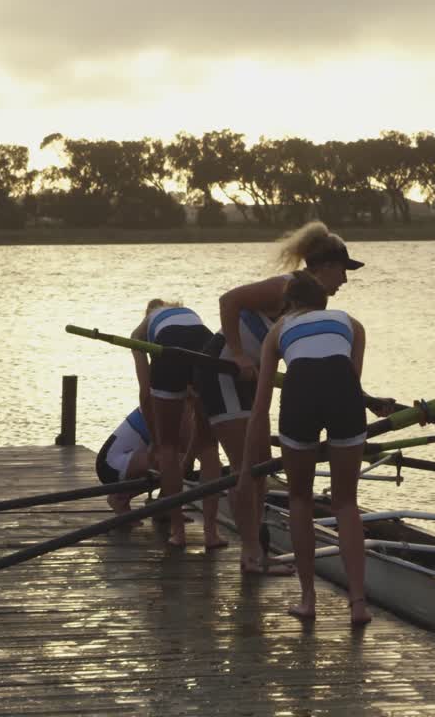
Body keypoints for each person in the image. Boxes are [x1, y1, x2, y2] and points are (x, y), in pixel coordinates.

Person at [195, 221, 364, 575]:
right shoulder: (286, 287)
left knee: (261, 466)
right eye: (343, 271)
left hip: (248, 379)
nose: (345, 281)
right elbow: (229, 300)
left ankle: (257, 550)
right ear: (327, 267)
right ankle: (252, 554)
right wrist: (240, 355)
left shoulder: (311, 306)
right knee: (246, 467)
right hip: (222, 371)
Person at [240, 271, 372, 625]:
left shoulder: (278, 329)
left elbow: (260, 405)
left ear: (291, 303)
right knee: (346, 501)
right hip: (343, 399)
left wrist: (246, 468)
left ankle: (308, 599)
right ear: (322, 300)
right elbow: (350, 382)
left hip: (300, 398)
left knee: (300, 497)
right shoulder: (352, 324)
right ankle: (358, 604)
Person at [132, 299, 216, 547]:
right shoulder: (190, 315)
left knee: (168, 447)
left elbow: (146, 392)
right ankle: (212, 533)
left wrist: (157, 442)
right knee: (209, 446)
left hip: (169, 351)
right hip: (206, 344)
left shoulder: (141, 331)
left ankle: (177, 531)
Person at [94, 400, 227, 549]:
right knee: (176, 463)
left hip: (129, 460)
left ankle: (164, 507)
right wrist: (216, 470)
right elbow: (196, 448)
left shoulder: (183, 406)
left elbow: (191, 446)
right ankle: (121, 497)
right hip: (110, 464)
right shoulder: (180, 409)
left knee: (177, 462)